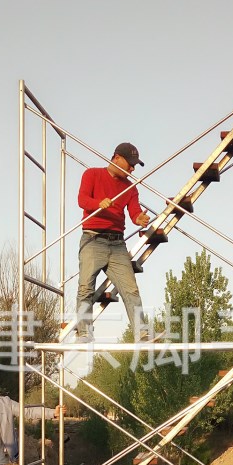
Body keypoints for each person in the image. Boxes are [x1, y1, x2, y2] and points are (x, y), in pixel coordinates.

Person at [76, 141, 153, 341]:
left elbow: (134, 211)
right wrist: (97, 203)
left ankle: (142, 333)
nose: (133, 168)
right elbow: (82, 200)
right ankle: (84, 332)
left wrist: (140, 219)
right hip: (93, 239)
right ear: (117, 158)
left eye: (135, 165)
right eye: (131, 163)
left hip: (118, 244)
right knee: (86, 287)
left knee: (131, 289)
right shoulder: (92, 174)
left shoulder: (130, 188)